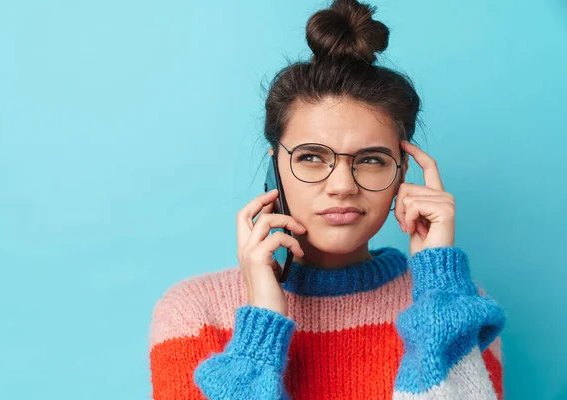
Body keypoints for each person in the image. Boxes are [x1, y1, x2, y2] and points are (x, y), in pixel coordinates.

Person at [148, 0, 506, 398]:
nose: (341, 186)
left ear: (403, 174)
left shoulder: (455, 306)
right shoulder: (194, 313)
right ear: (275, 169)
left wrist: (438, 289)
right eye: (311, 157)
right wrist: (260, 328)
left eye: (371, 160)